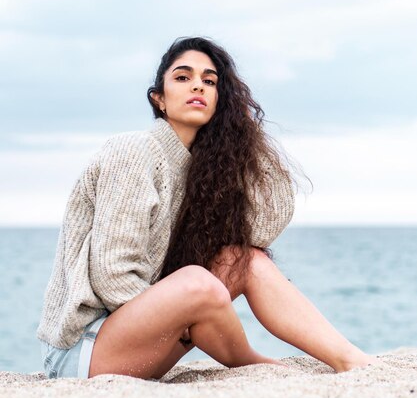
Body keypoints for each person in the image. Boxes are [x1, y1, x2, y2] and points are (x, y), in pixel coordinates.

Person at [37, 36, 381, 380]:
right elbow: (112, 276)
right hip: (83, 352)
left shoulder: (201, 172)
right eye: (183, 77)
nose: (197, 86)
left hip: (140, 342)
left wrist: (240, 128)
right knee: (198, 283)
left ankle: (350, 359)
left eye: (210, 81)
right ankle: (255, 363)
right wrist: (184, 307)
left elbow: (263, 226)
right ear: (159, 99)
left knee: (242, 260)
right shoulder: (134, 151)